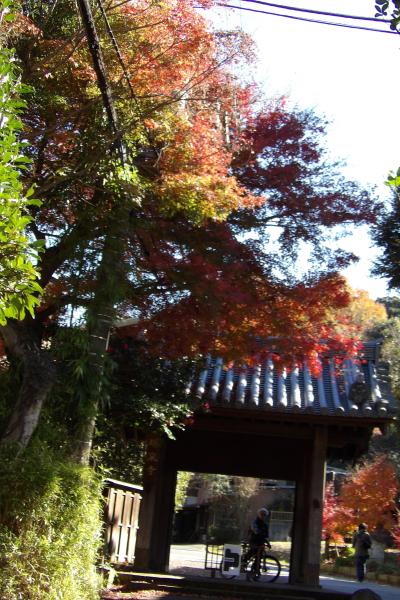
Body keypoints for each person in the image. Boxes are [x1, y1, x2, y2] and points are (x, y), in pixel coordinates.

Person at [243, 508, 271, 577]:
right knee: (251, 554)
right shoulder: (254, 522)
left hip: (260, 543)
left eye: (264, 515)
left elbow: (265, 536)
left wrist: (267, 543)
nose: (263, 516)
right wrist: (262, 537)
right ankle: (243, 563)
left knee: (259, 557)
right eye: (261, 514)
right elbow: (256, 532)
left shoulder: (265, 525)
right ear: (259, 514)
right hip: (254, 542)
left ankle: (255, 570)